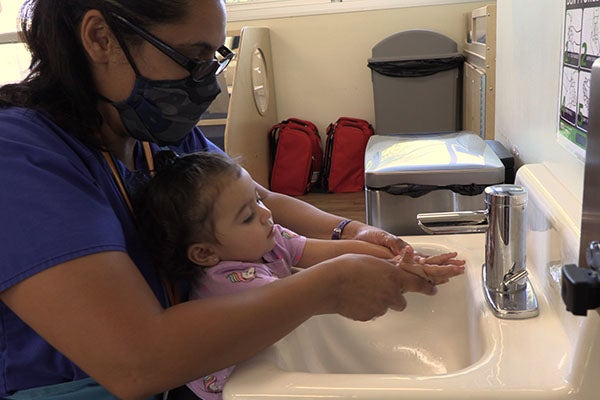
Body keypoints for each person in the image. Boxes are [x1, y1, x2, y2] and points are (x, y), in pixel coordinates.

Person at [0, 1, 465, 399]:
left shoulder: (149, 134)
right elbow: (135, 361)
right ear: (100, 38)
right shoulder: (22, 158)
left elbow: (260, 198)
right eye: (190, 58)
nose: (207, 85)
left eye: (213, 61)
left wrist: (353, 232)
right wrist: (330, 285)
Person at [135, 151, 465, 400]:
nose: (266, 215)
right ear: (205, 253)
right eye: (248, 216)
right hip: (215, 392)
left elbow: (326, 253)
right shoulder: (233, 283)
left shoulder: (265, 240)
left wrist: (399, 258)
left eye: (259, 199)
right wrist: (398, 274)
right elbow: (323, 286)